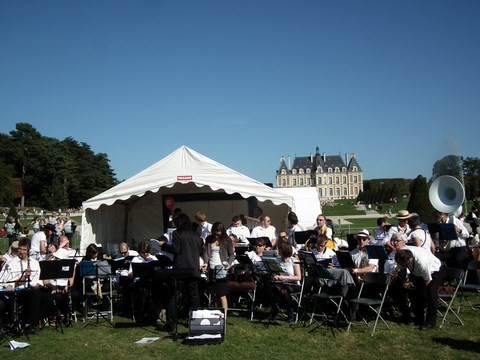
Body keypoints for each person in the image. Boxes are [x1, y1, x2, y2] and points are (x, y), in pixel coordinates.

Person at [0, 237, 53, 334]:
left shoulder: (34, 263)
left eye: (24, 250)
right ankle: (30, 324)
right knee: (35, 294)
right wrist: (22, 278)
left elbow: (39, 279)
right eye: (20, 249)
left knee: (48, 299)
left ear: (29, 251)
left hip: (33, 289)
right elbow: (6, 282)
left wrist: (38, 285)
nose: (21, 252)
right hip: (18, 291)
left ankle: (31, 320)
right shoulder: (11, 264)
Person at [163, 213, 204, 332]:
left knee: (173, 296)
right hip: (193, 269)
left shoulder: (177, 234)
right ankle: (197, 322)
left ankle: (170, 323)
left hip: (180, 270)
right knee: (194, 297)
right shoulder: (196, 236)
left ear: (179, 223)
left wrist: (164, 246)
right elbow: (200, 250)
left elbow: (176, 249)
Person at [395, 247, 446, 330]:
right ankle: (419, 319)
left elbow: (427, 280)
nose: (401, 264)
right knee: (416, 295)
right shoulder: (401, 254)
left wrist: (422, 291)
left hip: (434, 271)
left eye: (404, 263)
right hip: (418, 272)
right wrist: (404, 280)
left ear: (409, 260)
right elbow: (402, 268)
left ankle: (430, 322)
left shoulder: (421, 262)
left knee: (430, 294)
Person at [202, 222, 235, 310]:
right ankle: (215, 313)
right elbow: (206, 253)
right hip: (211, 268)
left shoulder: (226, 240)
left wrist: (229, 263)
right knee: (213, 294)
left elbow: (232, 254)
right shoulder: (208, 239)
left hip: (221, 269)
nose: (216, 236)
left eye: (218, 234)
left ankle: (224, 316)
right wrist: (205, 262)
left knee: (222, 294)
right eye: (215, 234)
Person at [269, 241, 301, 323]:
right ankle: (275, 309)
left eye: (279, 249)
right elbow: (276, 273)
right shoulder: (278, 260)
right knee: (273, 287)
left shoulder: (294, 261)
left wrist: (284, 277)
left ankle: (289, 309)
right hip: (281, 283)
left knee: (283, 290)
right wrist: (276, 276)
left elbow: (298, 277)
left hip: (293, 284)